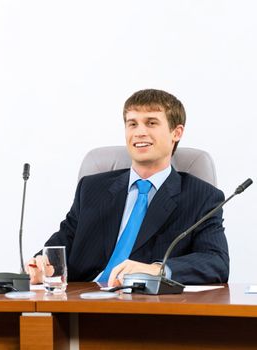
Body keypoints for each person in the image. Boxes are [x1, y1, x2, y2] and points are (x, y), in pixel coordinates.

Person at [26, 89, 229, 287]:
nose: (140, 132)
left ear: (176, 132)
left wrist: (158, 269)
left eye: (151, 123)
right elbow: (61, 244)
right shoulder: (91, 189)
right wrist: (41, 264)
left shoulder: (202, 197)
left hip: (144, 306)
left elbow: (216, 262)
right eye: (132, 124)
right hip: (81, 300)